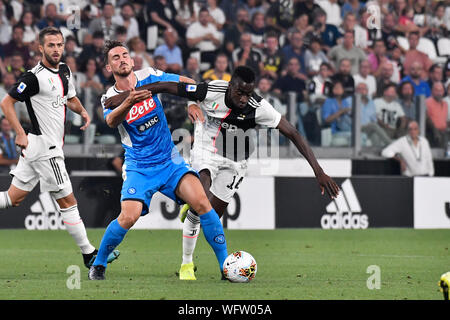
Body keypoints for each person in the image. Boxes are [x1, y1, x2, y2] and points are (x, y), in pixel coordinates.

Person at [104, 66, 340, 280]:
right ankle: (187, 263)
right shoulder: (211, 89)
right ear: (231, 85)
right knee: (201, 200)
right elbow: (166, 86)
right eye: (240, 93)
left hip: (237, 161)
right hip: (206, 149)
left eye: (248, 93)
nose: (244, 98)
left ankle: (209, 242)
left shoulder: (259, 108)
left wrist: (319, 171)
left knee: (211, 215)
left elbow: (294, 133)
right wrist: (126, 97)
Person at [88, 40, 229, 281]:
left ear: (132, 61)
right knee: (128, 217)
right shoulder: (109, 97)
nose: (122, 59)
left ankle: (226, 267)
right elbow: (111, 122)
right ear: (109, 67)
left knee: (203, 204)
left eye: (125, 55)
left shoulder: (150, 75)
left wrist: (193, 102)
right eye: (115, 57)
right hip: (139, 167)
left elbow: (185, 82)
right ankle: (98, 264)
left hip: (169, 160)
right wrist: (128, 102)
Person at [0, 27, 119, 269]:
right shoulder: (33, 77)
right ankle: (89, 254)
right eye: (51, 45)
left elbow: (70, 97)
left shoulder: (64, 70)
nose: (56, 49)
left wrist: (83, 111)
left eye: (59, 45)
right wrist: (20, 133)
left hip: (38, 148)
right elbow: (6, 102)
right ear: (40, 48)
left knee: (13, 199)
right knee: (68, 201)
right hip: (46, 148)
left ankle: (88, 253)